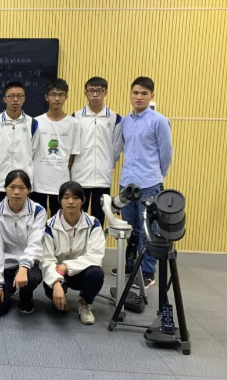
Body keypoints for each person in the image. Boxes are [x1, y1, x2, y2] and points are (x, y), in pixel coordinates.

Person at [114, 77, 172, 289]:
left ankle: (147, 272)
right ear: (130, 94)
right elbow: (121, 149)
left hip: (149, 183)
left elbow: (166, 154)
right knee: (130, 229)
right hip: (127, 184)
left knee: (149, 230)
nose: (139, 97)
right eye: (135, 93)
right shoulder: (125, 122)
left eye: (144, 94)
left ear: (152, 96)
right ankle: (132, 265)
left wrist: (157, 176)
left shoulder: (159, 121)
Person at [41, 181, 105, 325]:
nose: (70, 202)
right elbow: (46, 259)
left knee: (96, 274)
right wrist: (56, 283)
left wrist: (67, 266)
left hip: (81, 273)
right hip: (58, 273)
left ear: (83, 200)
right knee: (50, 287)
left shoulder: (93, 224)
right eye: (66, 197)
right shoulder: (49, 226)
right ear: (59, 200)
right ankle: (60, 297)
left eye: (75, 198)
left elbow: (95, 256)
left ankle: (84, 303)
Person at [0, 170, 46, 317]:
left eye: (22, 188)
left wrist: (23, 267)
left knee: (30, 279)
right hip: (5, 265)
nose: (17, 192)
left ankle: (26, 296)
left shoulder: (38, 211)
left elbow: (35, 243)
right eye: (12, 187)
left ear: (29, 190)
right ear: (5, 189)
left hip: (29, 264)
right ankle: (11, 288)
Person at [71, 77, 123, 226]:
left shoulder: (115, 118)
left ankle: (97, 242)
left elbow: (116, 149)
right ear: (85, 93)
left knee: (98, 220)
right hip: (80, 177)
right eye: (91, 91)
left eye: (99, 91)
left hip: (102, 178)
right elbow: (72, 148)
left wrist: (107, 165)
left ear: (105, 92)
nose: (95, 94)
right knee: (78, 220)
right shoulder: (76, 117)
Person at [0, 82, 39, 208]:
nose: (15, 99)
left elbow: (33, 152)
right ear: (4, 99)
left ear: (24, 98)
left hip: (23, 184)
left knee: (23, 216)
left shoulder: (32, 124)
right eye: (11, 96)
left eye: (19, 96)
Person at [32, 79, 81, 216]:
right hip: (38, 183)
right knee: (37, 220)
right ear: (46, 97)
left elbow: (72, 155)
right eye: (53, 94)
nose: (57, 98)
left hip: (61, 183)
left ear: (66, 97)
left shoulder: (74, 123)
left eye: (61, 94)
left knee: (58, 221)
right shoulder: (36, 122)